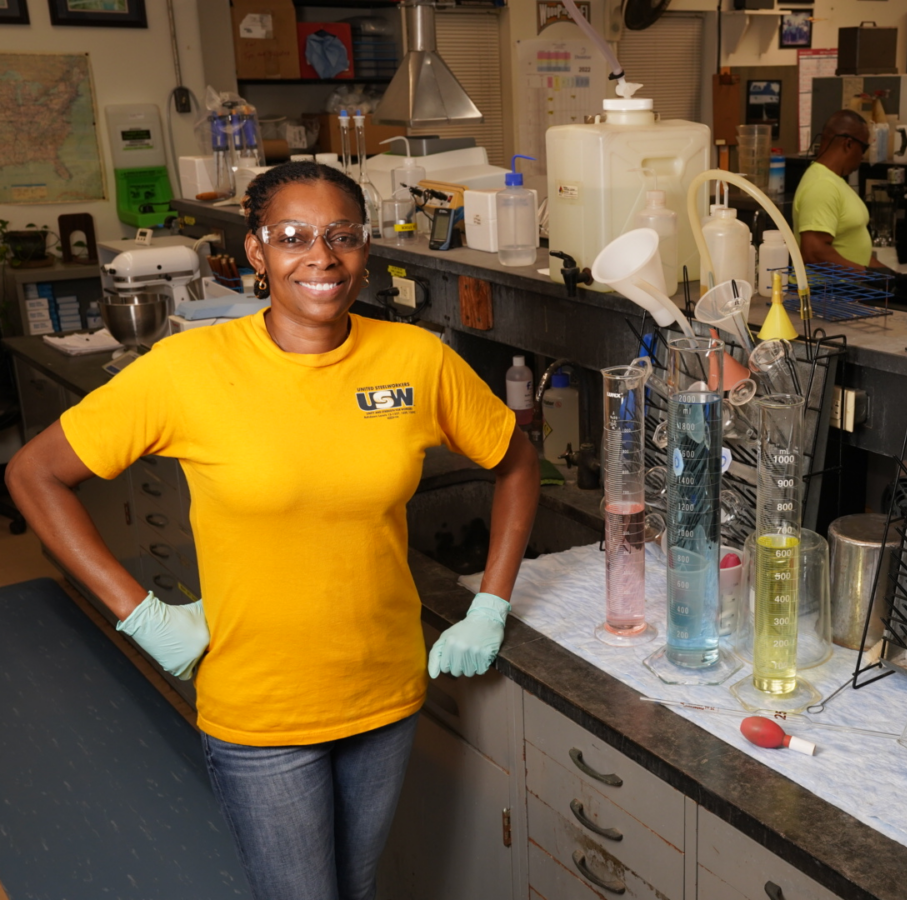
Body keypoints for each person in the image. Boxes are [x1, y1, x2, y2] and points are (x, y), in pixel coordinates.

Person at [5, 161, 541, 900]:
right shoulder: (187, 369)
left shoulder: (416, 360)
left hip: (383, 693)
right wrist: (139, 613)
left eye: (342, 237)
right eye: (292, 237)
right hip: (260, 711)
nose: (320, 257)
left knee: (352, 889)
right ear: (257, 251)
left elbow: (518, 461)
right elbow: (34, 474)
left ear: (365, 249)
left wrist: (492, 603)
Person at [793, 109, 883, 270]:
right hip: (823, 293)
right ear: (848, 144)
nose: (862, 156)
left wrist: (892, 277)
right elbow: (813, 253)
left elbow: (855, 255)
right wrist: (867, 276)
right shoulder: (821, 185)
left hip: (845, 291)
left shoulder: (835, 182)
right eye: (863, 148)